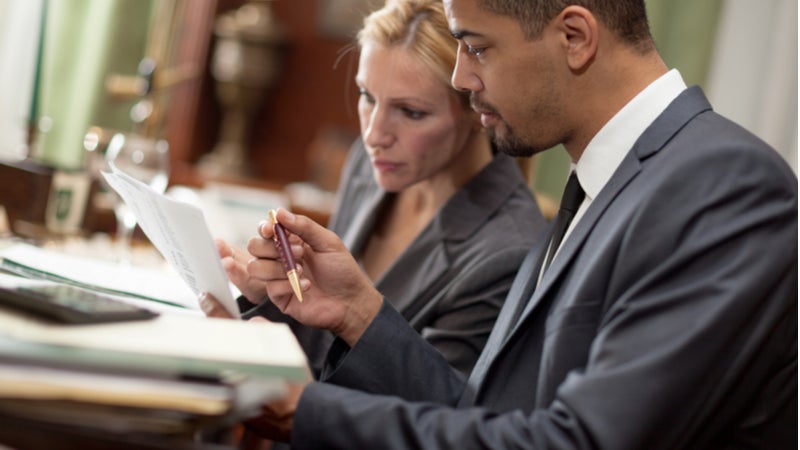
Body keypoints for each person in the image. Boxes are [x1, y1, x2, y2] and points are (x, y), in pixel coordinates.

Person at [203, 0, 797, 448]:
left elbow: (579, 441)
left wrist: (305, 410)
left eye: (477, 47)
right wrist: (357, 311)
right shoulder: (602, 181)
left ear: (574, 37)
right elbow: (484, 415)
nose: (461, 78)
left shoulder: (725, 185)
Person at [211, 0, 545, 377]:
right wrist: (270, 298)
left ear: (477, 110)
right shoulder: (369, 166)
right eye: (368, 97)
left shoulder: (507, 252)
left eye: (411, 112)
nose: (373, 135)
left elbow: (436, 402)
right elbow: (326, 341)